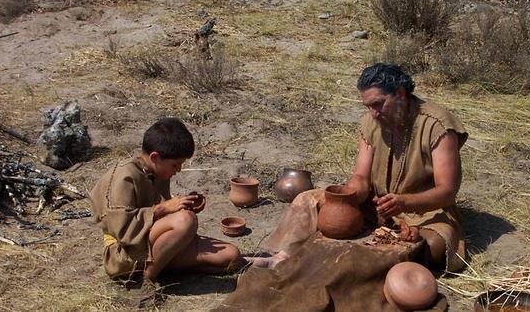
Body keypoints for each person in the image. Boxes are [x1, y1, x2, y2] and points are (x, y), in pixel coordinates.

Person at [265, 63, 468, 272]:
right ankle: (282, 257)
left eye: (378, 104)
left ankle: (382, 265)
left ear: (400, 94)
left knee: (435, 245)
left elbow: (447, 191)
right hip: (376, 206)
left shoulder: (437, 125)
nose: (373, 113)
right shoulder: (371, 123)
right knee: (307, 200)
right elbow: (361, 175)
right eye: (368, 106)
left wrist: (405, 202)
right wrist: (351, 196)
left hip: (423, 214)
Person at [89, 117, 277, 284]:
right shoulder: (124, 176)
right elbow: (122, 229)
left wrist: (184, 204)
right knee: (185, 220)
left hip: (152, 244)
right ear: (154, 157)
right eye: (175, 165)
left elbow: (163, 215)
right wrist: (163, 209)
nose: (178, 170)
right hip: (124, 253)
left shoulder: (157, 171)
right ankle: (147, 279)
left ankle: (163, 265)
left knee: (231, 257)